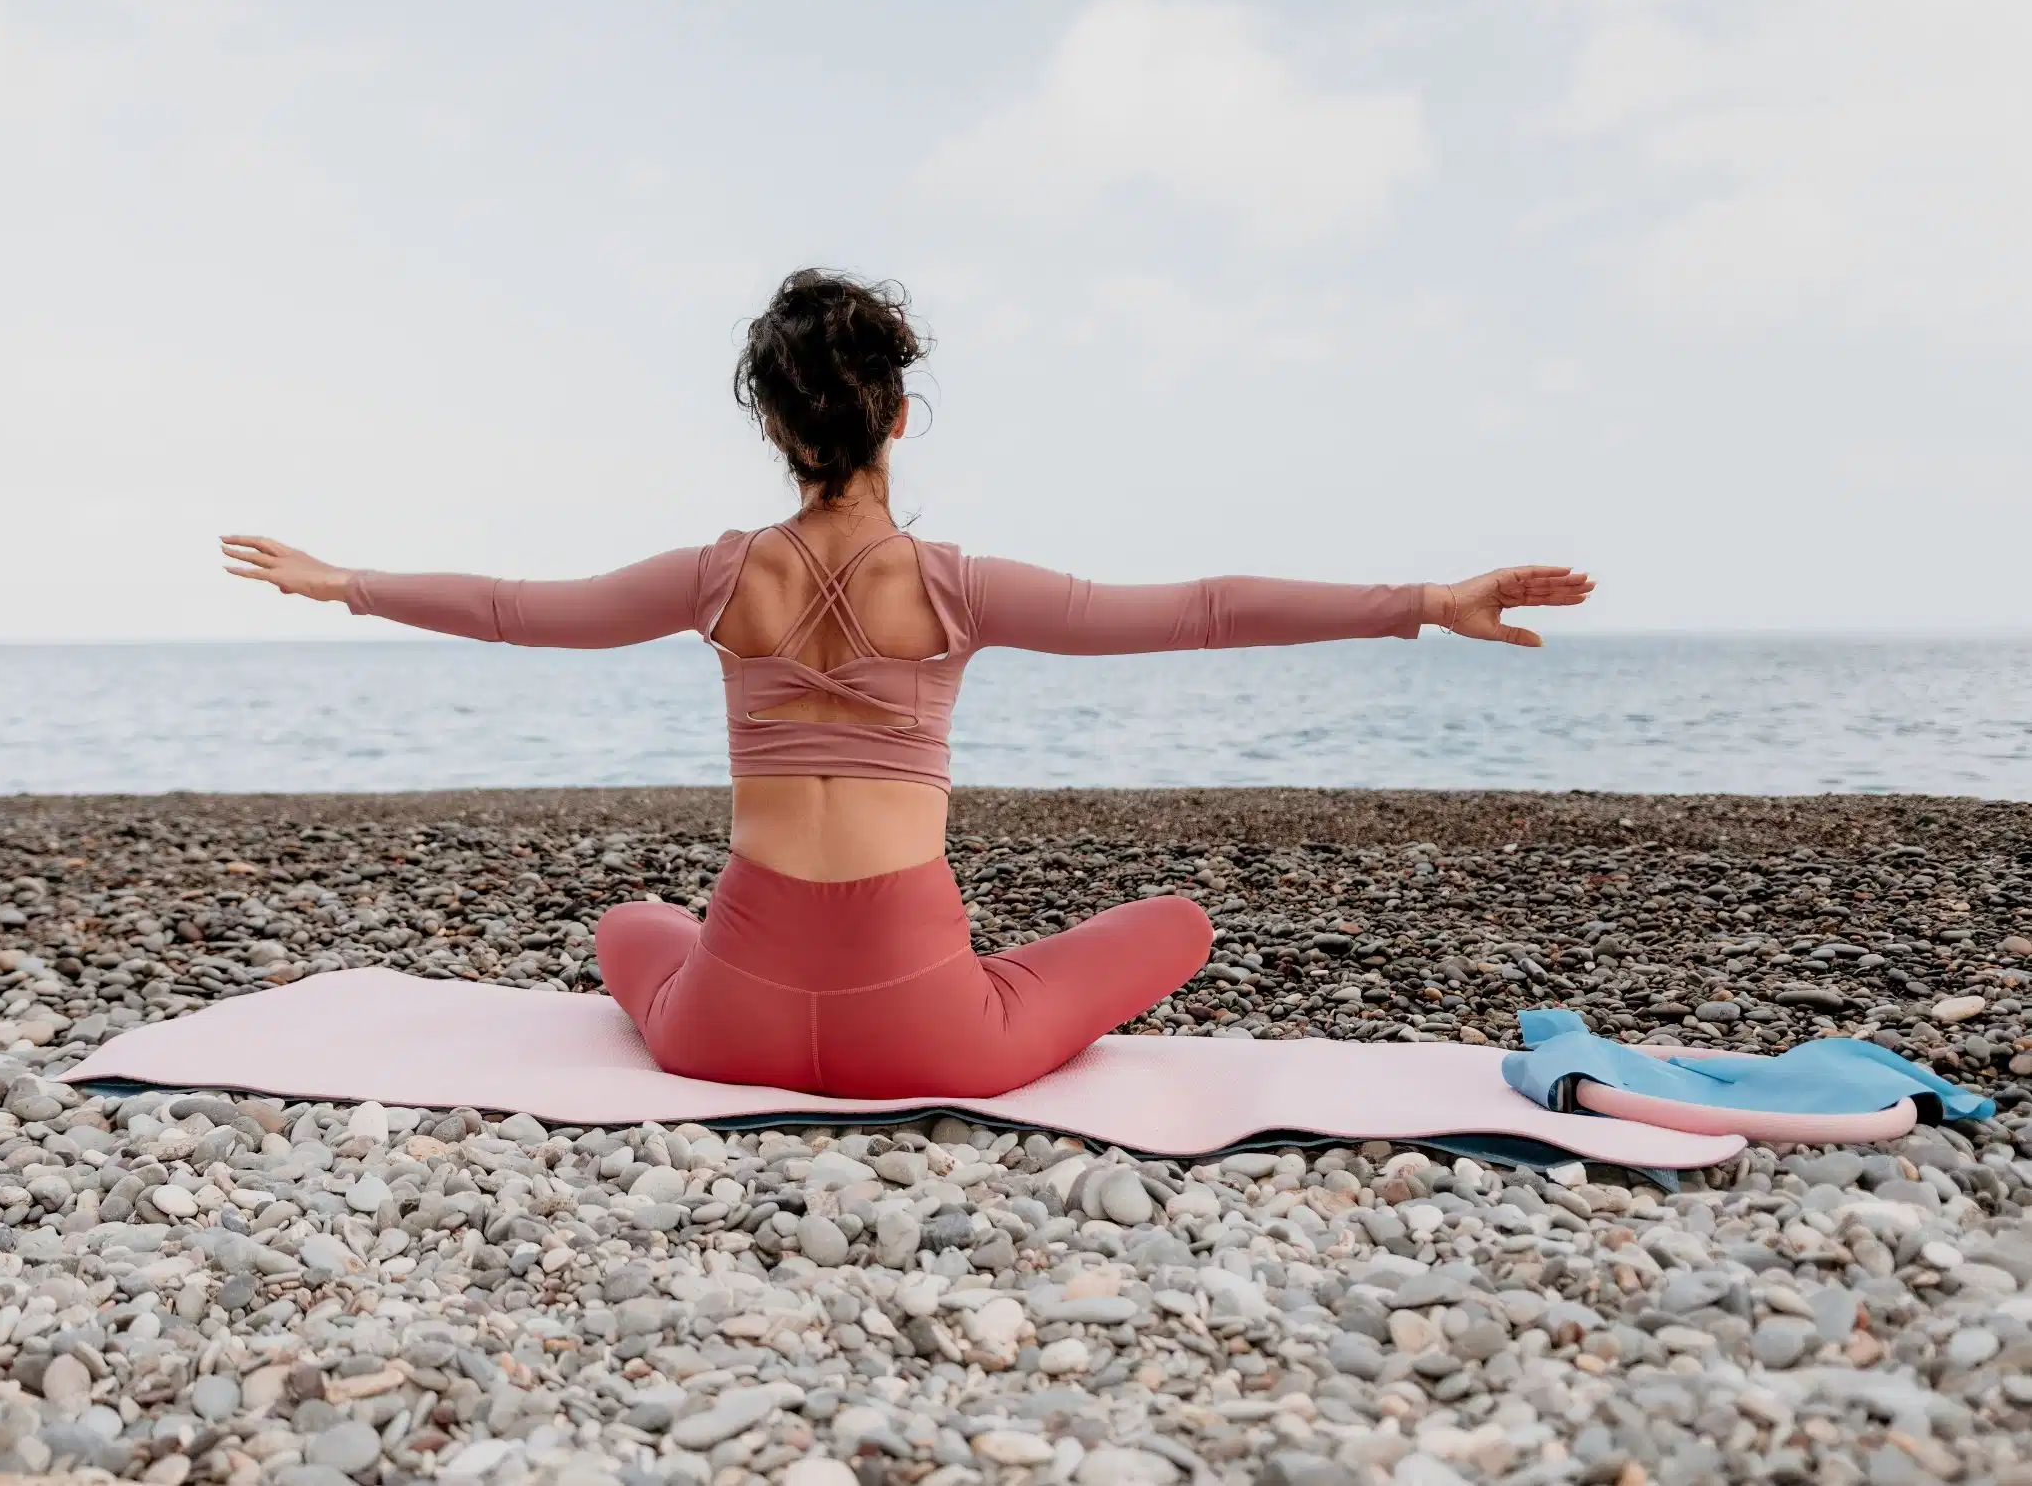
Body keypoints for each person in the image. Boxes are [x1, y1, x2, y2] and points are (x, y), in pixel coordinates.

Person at [224, 270, 1592, 1099]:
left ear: (771, 423)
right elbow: (1204, 611)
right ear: (892, 413)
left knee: (630, 922)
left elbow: (525, 612)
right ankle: (957, 984)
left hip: (727, 1026)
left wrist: (346, 581)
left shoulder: (715, 577)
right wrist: (1424, 599)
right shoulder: (955, 585)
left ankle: (787, 983)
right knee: (1173, 921)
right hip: (931, 1036)